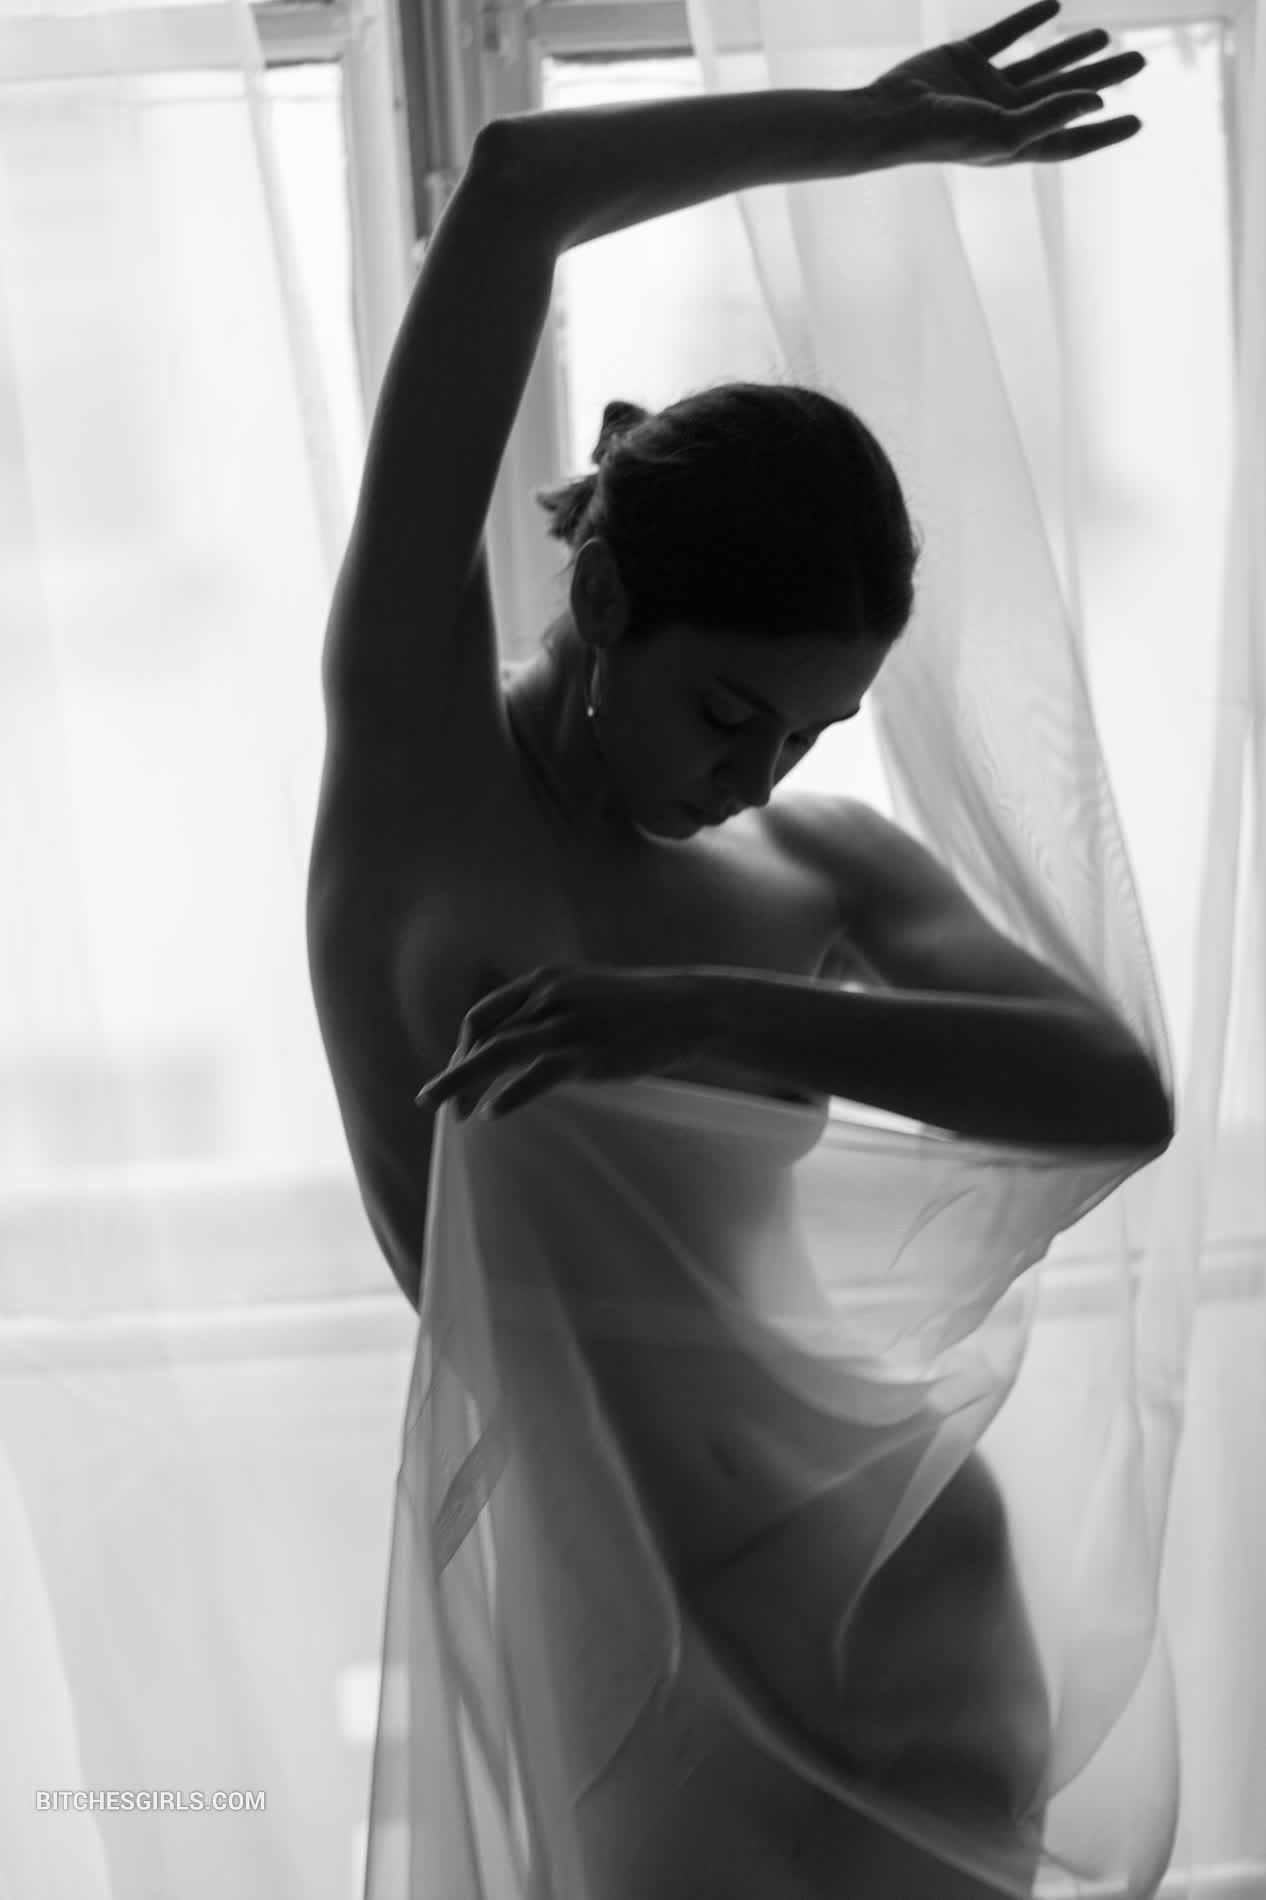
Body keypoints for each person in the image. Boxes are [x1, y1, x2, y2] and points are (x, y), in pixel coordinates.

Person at [307, 4, 1168, 1891]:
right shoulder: (418, 770)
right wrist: (867, 131)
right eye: (724, 714)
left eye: (805, 732)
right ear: (606, 599)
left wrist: (697, 1009)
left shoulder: (814, 871)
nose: (755, 773)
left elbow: (1117, 1097)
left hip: (899, 1577)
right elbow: (512, 191)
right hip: (611, 1618)